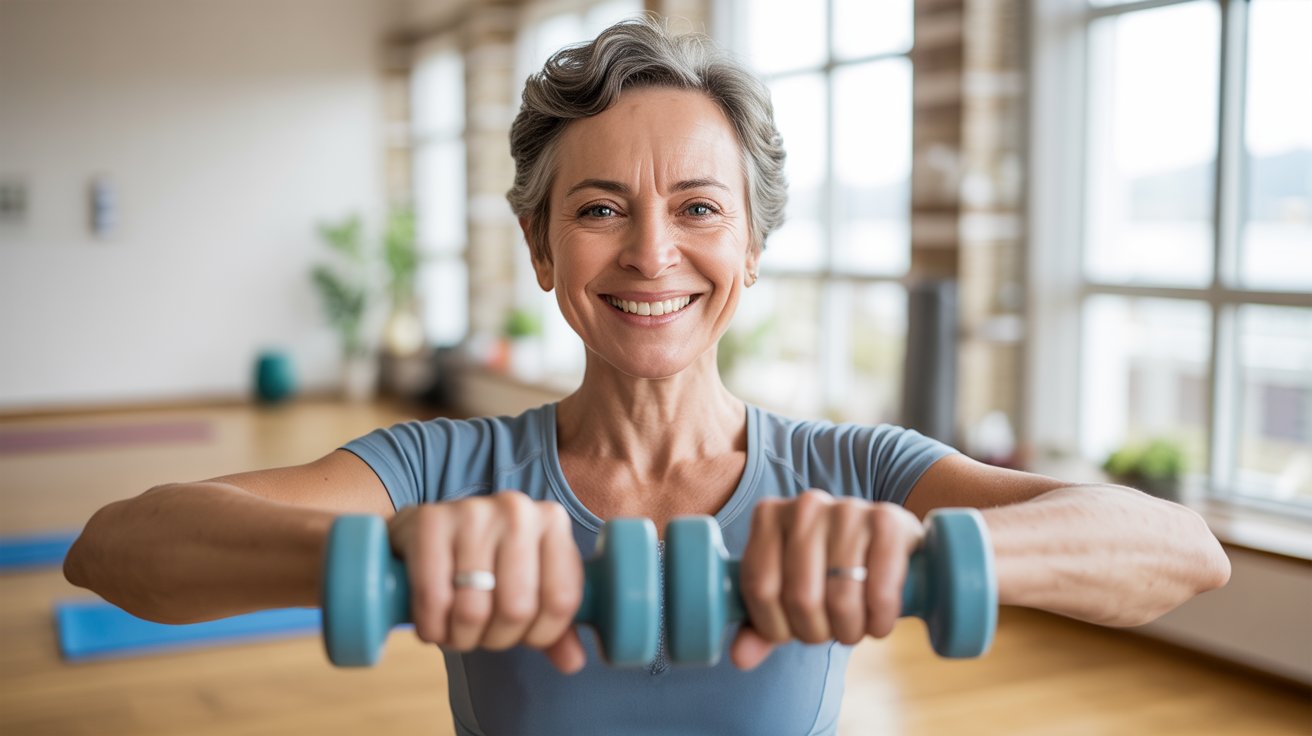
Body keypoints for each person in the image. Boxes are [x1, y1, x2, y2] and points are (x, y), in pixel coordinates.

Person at [65, 16, 1230, 736]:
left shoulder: (851, 472)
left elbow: (1182, 553)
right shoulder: (445, 469)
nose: (651, 253)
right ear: (540, 248)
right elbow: (116, 547)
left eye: (698, 209)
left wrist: (917, 553)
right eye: (600, 208)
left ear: (753, 248)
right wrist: (395, 553)